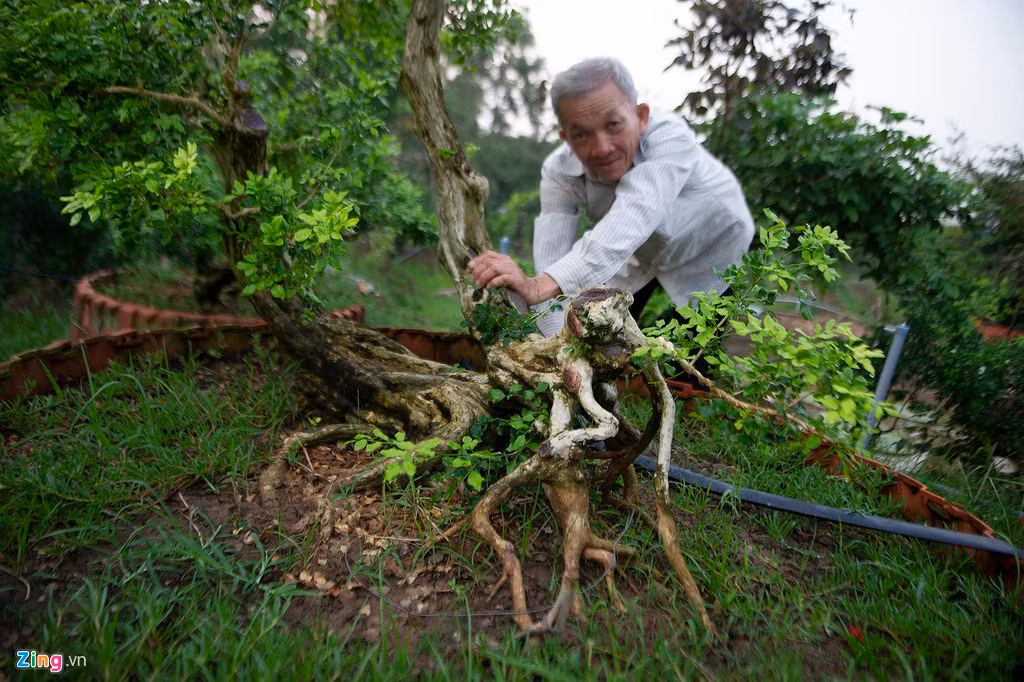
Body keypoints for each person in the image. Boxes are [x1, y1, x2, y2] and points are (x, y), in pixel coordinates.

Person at [469, 56, 754, 341]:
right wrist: (558, 350)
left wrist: (536, 286)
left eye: (614, 125)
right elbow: (552, 263)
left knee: (693, 357)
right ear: (565, 138)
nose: (602, 148)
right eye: (581, 134)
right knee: (598, 332)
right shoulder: (559, 172)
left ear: (641, 117)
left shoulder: (669, 138)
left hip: (713, 243)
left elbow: (634, 216)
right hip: (638, 251)